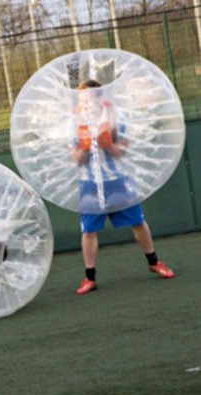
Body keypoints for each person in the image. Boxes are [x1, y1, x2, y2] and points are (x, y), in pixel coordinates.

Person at [70, 79, 174, 295]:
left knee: (138, 221)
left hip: (118, 180)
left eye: (88, 98)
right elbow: (76, 159)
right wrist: (85, 148)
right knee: (89, 231)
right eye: (81, 99)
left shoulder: (116, 118)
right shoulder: (73, 123)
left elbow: (122, 152)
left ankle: (154, 262)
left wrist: (108, 144)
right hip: (90, 184)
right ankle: (90, 278)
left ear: (99, 97)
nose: (85, 103)